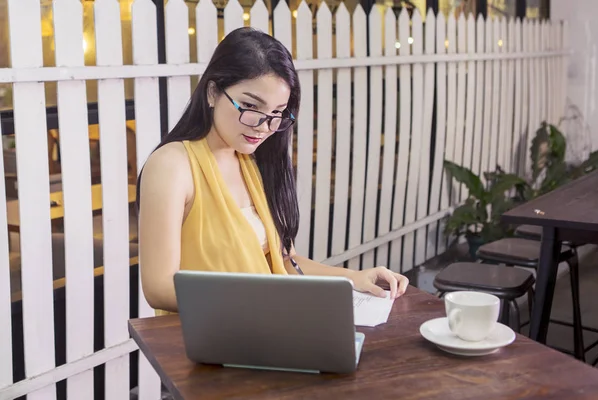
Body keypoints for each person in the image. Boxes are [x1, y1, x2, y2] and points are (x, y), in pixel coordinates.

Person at [137, 27, 409, 314]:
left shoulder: (251, 161)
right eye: (251, 106)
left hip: (265, 326)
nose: (265, 126)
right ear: (213, 92)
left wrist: (354, 278)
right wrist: (262, 302)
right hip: (207, 339)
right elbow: (160, 288)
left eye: (277, 112)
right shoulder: (173, 165)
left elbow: (284, 263)